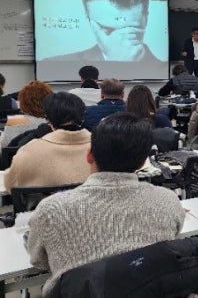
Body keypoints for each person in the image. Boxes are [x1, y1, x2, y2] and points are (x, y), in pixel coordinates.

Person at [27, 113, 185, 295]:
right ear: (142, 162)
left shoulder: (51, 209)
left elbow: (38, 261)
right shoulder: (168, 200)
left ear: (89, 155)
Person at [4, 92, 91, 191]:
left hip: (43, 201)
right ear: (82, 116)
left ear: (49, 119)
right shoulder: (100, 147)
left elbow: (10, 185)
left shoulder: (29, 150)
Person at [45, 0, 159, 62]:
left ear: (146, 19)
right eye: (108, 29)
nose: (119, 39)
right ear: (88, 19)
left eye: (131, 29)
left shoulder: (163, 69)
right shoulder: (54, 64)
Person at [0, 80, 53, 149]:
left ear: (23, 101)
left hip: (18, 155)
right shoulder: (53, 122)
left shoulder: (15, 120)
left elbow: (4, 146)